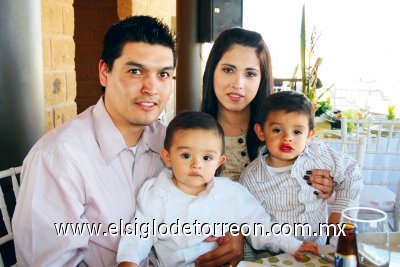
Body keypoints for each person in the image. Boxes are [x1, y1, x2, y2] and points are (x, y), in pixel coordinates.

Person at [11, 16, 241, 267]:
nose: (151, 88)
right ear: (104, 73)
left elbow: (209, 199)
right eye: (135, 71)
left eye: (163, 74)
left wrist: (231, 234)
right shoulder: (58, 158)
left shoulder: (172, 143)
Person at [200, 27, 335, 260]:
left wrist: (326, 187)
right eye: (228, 69)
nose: (238, 83)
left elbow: (320, 197)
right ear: (212, 71)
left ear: (262, 78)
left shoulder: (285, 133)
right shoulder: (191, 135)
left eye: (250, 73)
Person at [116, 111, 318, 267]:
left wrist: (293, 245)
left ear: (219, 162)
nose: (197, 165)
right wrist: (128, 261)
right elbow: (138, 234)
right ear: (167, 157)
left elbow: (261, 225)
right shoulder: (155, 194)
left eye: (207, 158)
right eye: (186, 156)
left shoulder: (231, 194)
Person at [239, 91, 364, 246]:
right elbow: (253, 226)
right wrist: (289, 245)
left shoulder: (319, 155)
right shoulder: (251, 178)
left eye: (297, 132)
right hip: (279, 256)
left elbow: (351, 172)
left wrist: (341, 212)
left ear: (310, 134)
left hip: (320, 250)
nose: (288, 137)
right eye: (277, 130)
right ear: (261, 132)